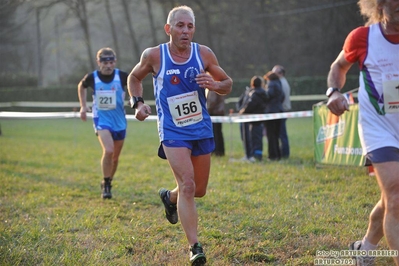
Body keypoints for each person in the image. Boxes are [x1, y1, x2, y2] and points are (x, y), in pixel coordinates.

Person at [126, 5, 232, 265]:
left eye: (190, 26)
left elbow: (227, 83)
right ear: (168, 29)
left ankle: (169, 197)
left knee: (199, 190)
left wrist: (215, 85)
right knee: (188, 184)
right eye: (180, 26)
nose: (186, 31)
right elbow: (133, 77)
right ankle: (194, 246)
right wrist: (137, 103)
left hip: (200, 128)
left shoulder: (204, 53)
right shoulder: (154, 55)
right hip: (172, 130)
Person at [326, 1, 399, 265]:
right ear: (380, 4)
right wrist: (333, 92)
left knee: (390, 197)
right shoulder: (363, 37)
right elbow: (338, 67)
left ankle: (365, 250)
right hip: (378, 128)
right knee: (396, 194)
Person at [78, 47, 129, 199]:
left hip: (119, 120)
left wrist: (135, 99)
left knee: (115, 158)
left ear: (115, 62)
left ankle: (108, 181)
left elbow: (135, 82)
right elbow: (81, 85)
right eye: (105, 62)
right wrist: (83, 105)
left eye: (111, 62)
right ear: (98, 62)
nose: (108, 65)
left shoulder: (122, 76)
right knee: (108, 150)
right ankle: (107, 185)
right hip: (101, 119)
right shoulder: (92, 77)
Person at [238, 76, 268, 161]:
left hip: (252, 119)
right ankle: (258, 154)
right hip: (260, 118)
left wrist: (242, 111)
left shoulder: (254, 94)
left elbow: (250, 105)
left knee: (253, 138)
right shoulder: (264, 93)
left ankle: (254, 156)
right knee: (258, 138)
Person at [263, 71, 284, 161]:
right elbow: (282, 96)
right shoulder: (279, 83)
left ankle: (272, 155)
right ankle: (278, 154)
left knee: (270, 135)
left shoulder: (271, 83)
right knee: (276, 135)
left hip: (271, 112)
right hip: (279, 110)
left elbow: (268, 95)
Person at [272, 65, 291, 159]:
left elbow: (280, 97)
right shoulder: (283, 82)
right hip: (283, 109)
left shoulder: (281, 83)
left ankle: (284, 153)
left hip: (282, 110)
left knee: (281, 134)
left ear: (281, 73)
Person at [236, 86, 253, 162]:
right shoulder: (246, 92)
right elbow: (239, 102)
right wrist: (240, 110)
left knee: (249, 137)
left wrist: (242, 111)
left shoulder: (253, 94)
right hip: (243, 117)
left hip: (249, 118)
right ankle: (248, 154)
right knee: (244, 137)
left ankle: (251, 155)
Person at [206, 89, 225, 156]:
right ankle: (220, 151)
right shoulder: (218, 87)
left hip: (214, 112)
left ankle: (215, 151)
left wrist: (206, 110)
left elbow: (212, 101)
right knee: (218, 133)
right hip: (219, 112)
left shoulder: (212, 88)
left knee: (214, 133)